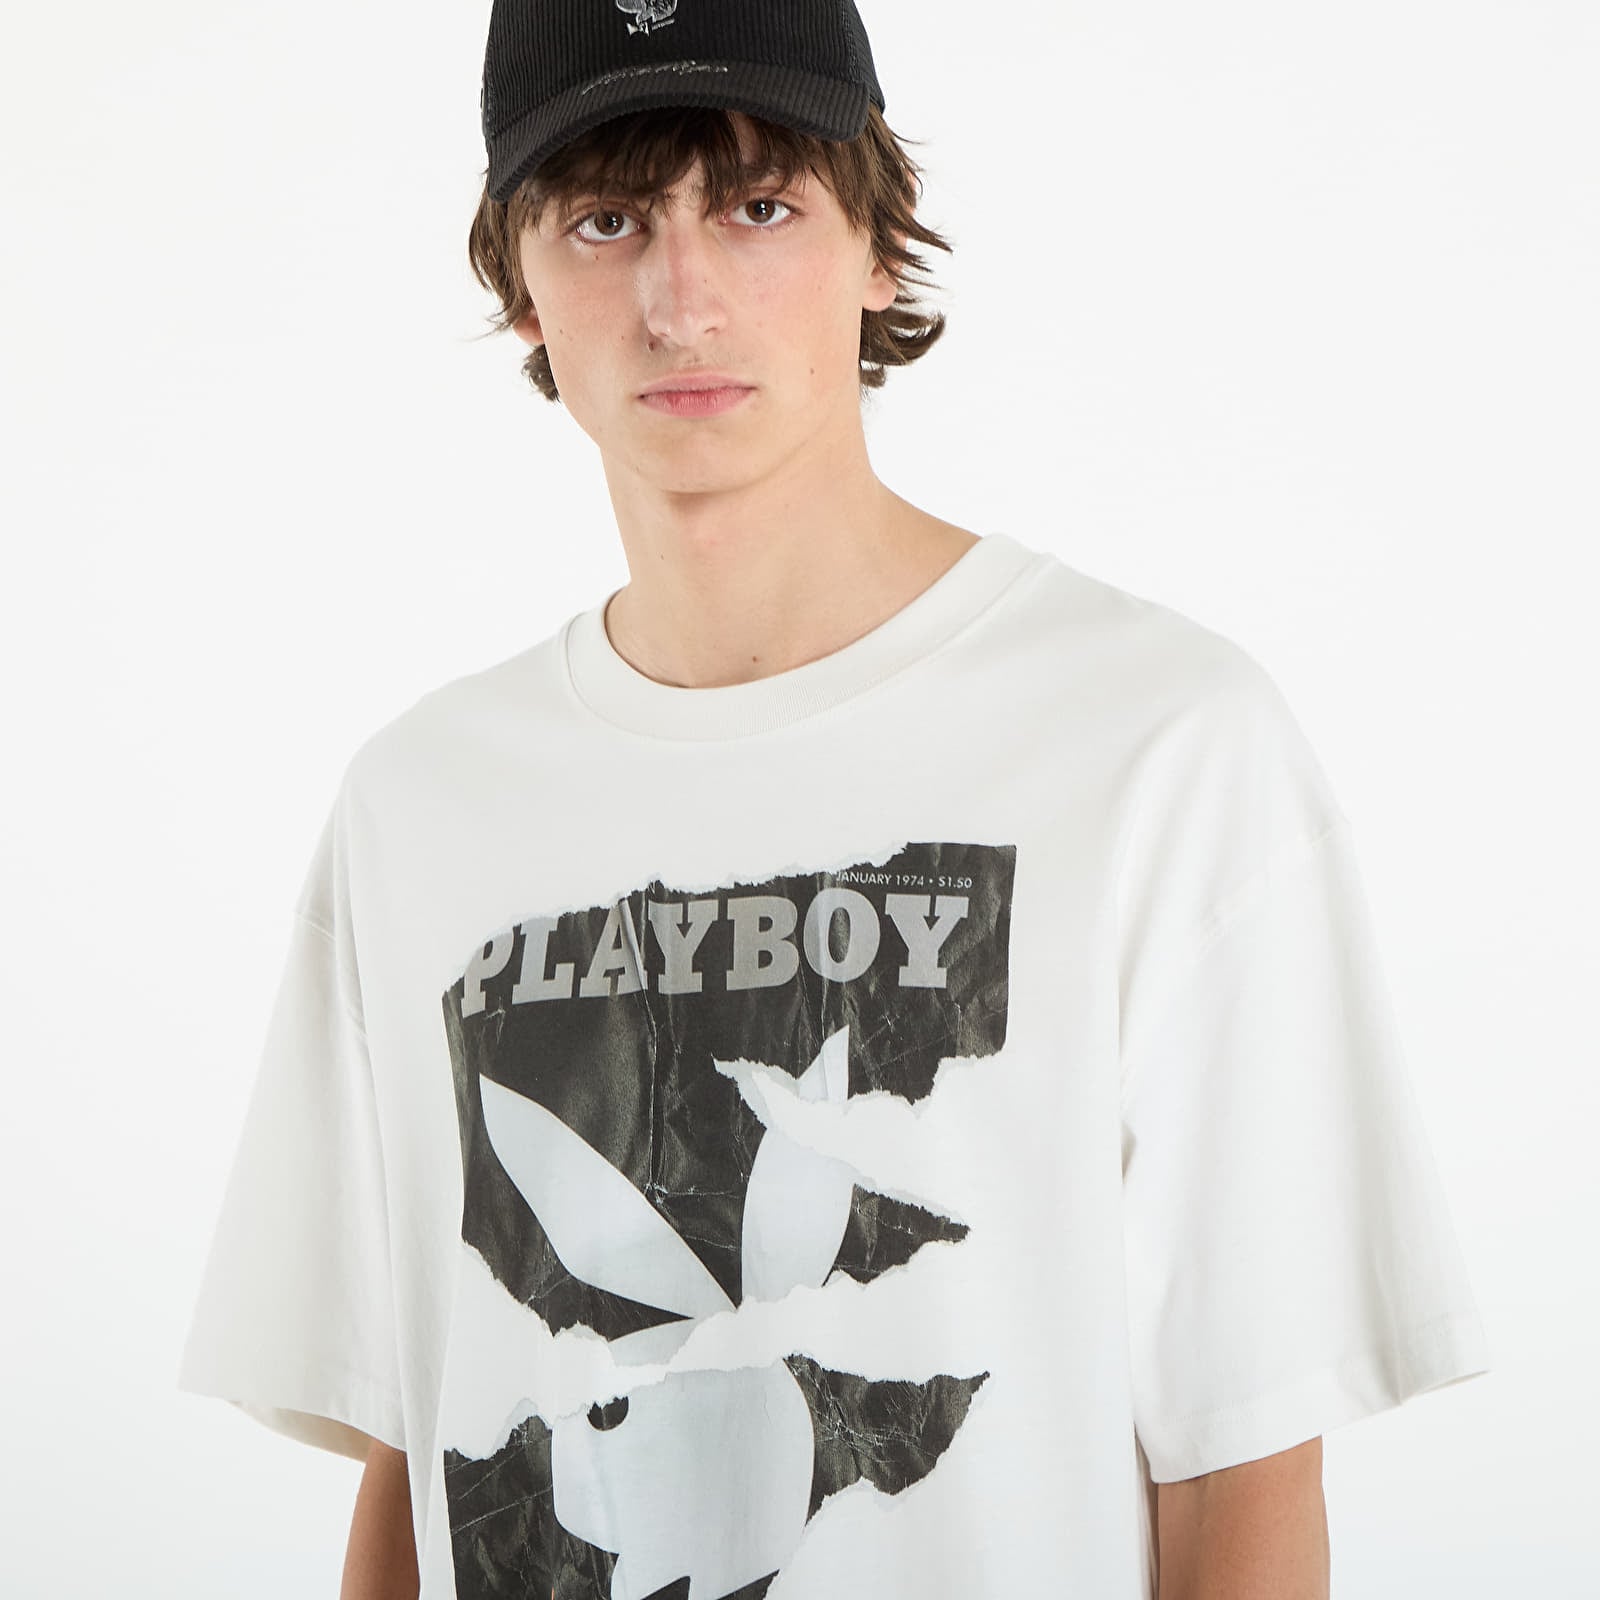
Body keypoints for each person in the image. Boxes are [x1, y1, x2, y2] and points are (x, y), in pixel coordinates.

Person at [176, 2, 1492, 1597]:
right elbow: (424, 1433)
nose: (682, 300)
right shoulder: (420, 806)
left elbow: (1247, 1472)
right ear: (519, 286)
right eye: (606, 221)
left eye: (758, 205)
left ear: (878, 242)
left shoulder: (1158, 745)